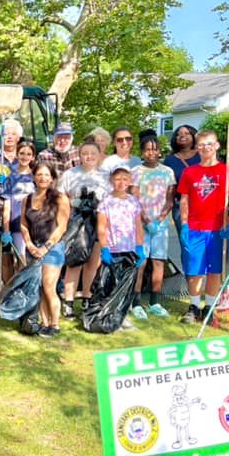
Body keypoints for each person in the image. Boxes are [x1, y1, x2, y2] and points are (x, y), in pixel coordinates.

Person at [177, 129, 229, 325]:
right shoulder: (190, 172)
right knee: (195, 270)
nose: (206, 148)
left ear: (217, 145)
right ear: (197, 147)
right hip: (195, 228)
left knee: (214, 270)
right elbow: (184, 200)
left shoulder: (227, 171)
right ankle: (194, 306)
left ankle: (209, 307)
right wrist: (184, 224)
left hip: (217, 229)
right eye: (202, 145)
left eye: (209, 144)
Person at [58, 141, 110, 318]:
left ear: (99, 155)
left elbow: (110, 201)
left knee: (93, 262)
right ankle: (69, 301)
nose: (89, 156)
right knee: (75, 261)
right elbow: (61, 198)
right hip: (77, 222)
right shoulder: (70, 174)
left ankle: (87, 296)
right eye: (85, 153)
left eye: (92, 153)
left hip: (97, 222)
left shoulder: (105, 176)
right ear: (79, 155)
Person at [20, 162, 71, 338]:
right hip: (33, 247)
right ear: (34, 177)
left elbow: (62, 226)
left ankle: (55, 324)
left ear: (52, 178)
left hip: (53, 247)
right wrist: (29, 244)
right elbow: (23, 224)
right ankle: (44, 322)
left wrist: (46, 247)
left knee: (49, 285)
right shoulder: (27, 199)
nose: (42, 178)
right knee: (39, 287)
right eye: (39, 174)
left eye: (46, 175)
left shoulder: (60, 198)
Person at [130, 135, 176, 319]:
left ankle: (155, 302)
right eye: (147, 149)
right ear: (142, 152)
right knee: (140, 263)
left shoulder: (168, 172)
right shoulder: (136, 171)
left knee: (158, 262)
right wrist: (146, 220)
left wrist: (161, 218)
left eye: (154, 149)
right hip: (141, 225)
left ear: (159, 151)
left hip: (161, 225)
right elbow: (134, 198)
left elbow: (170, 197)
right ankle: (136, 303)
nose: (151, 152)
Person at [96, 167, 146, 327]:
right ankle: (108, 314)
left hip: (129, 250)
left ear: (130, 181)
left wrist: (140, 248)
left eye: (125, 179)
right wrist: (104, 248)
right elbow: (101, 226)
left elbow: (138, 226)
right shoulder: (106, 202)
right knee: (112, 283)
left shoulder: (133, 201)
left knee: (126, 284)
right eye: (118, 179)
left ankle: (123, 315)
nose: (121, 182)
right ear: (112, 180)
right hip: (112, 250)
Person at [1, 140, 37, 269]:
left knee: (34, 261)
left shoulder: (37, 177)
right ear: (17, 154)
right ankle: (20, 288)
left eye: (28, 154)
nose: (25, 157)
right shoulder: (10, 178)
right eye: (22, 153)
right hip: (17, 225)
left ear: (33, 157)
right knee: (21, 261)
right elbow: (7, 206)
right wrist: (6, 230)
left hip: (35, 225)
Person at [162, 124, 200, 240]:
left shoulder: (202, 155)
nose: (182, 136)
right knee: (186, 244)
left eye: (186, 133)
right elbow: (170, 188)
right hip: (181, 207)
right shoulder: (170, 160)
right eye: (178, 134)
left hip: (203, 205)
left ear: (194, 136)